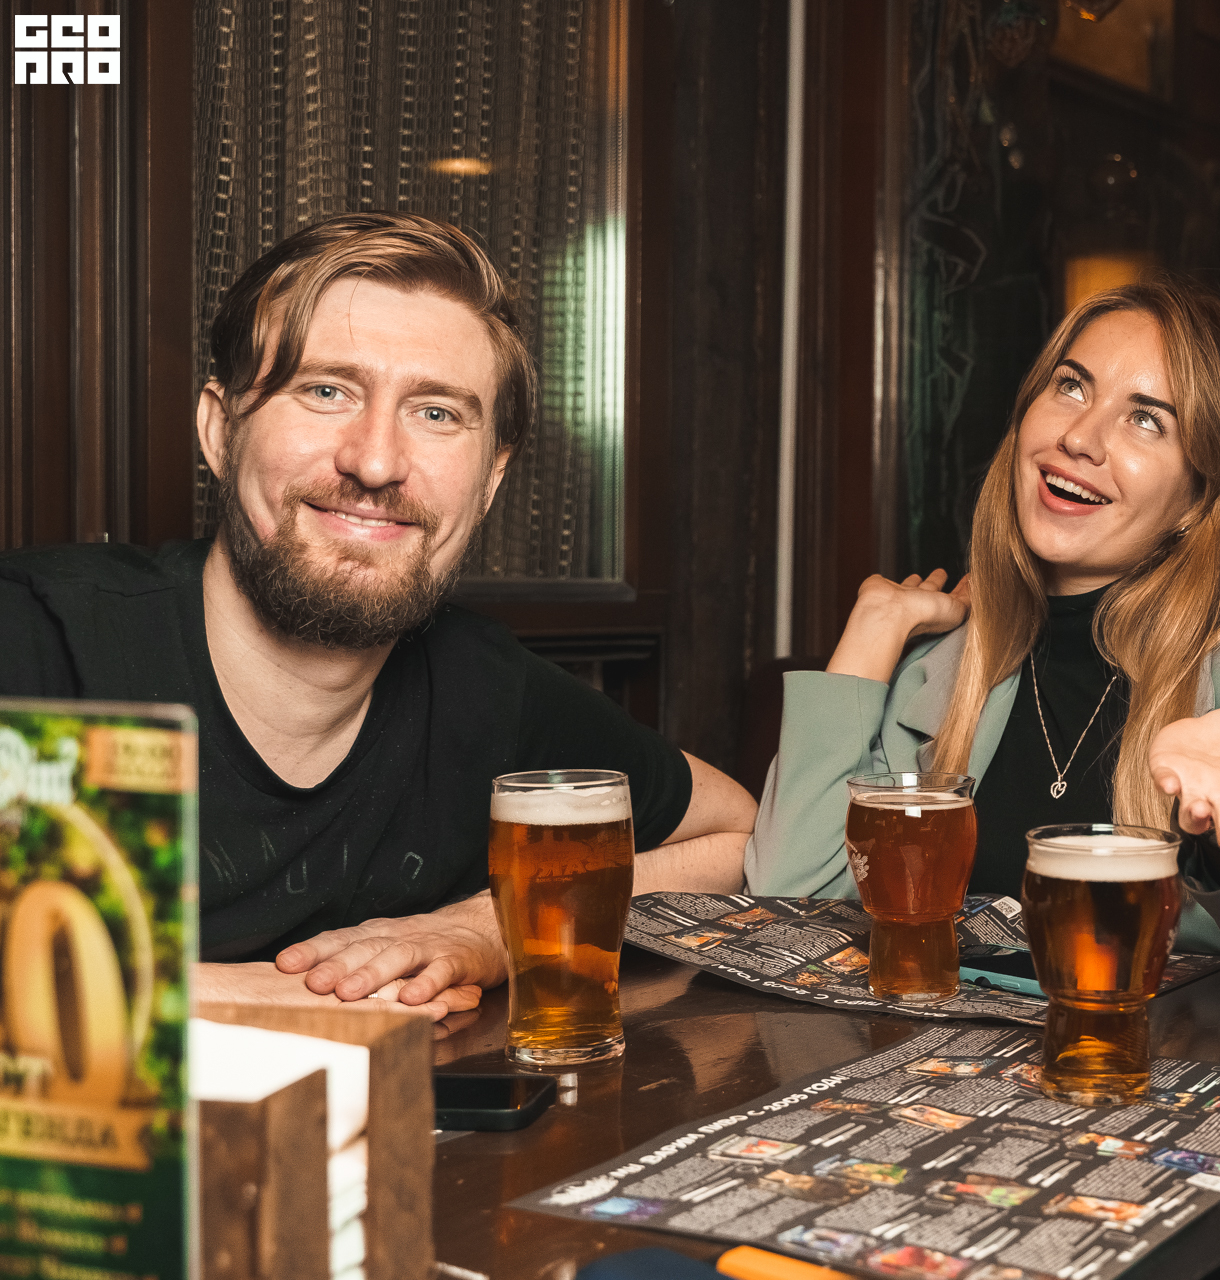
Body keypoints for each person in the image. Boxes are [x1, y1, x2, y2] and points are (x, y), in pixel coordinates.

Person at [0, 212, 756, 1019]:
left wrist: (491, 927)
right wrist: (252, 997)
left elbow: (735, 841)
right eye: (326, 391)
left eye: (436, 413)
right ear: (221, 431)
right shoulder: (39, 637)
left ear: (491, 480)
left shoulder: (484, 689)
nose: (375, 461)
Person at [746, 279, 1220, 994]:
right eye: (1071, 386)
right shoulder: (949, 663)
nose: (1079, 438)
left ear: (1200, 497)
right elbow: (788, 905)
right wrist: (873, 630)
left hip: (1146, 1053)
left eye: (1146, 419)